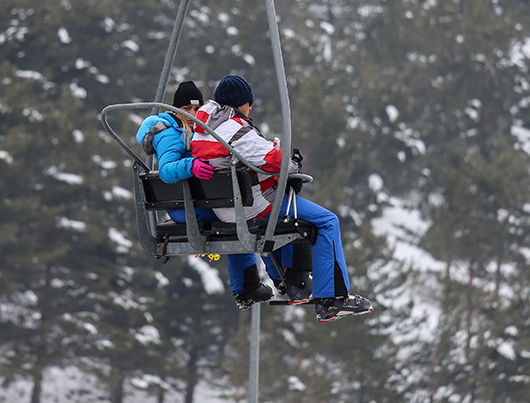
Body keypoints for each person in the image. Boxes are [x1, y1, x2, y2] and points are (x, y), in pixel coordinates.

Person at [193, 74, 374, 323]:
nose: (250, 109)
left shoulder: (202, 131)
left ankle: (288, 282)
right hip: (251, 208)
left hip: (224, 209)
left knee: (291, 216)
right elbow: (275, 161)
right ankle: (332, 298)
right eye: (249, 103)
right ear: (241, 103)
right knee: (326, 221)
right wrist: (293, 164)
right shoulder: (235, 130)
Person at [136, 81, 308, 310]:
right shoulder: (169, 133)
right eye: (186, 109)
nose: (193, 114)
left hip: (201, 200)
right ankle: (273, 280)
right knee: (250, 219)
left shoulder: (195, 131)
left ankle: (249, 285)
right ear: (175, 110)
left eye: (197, 109)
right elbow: (167, 171)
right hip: (186, 208)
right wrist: (191, 165)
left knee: (240, 218)